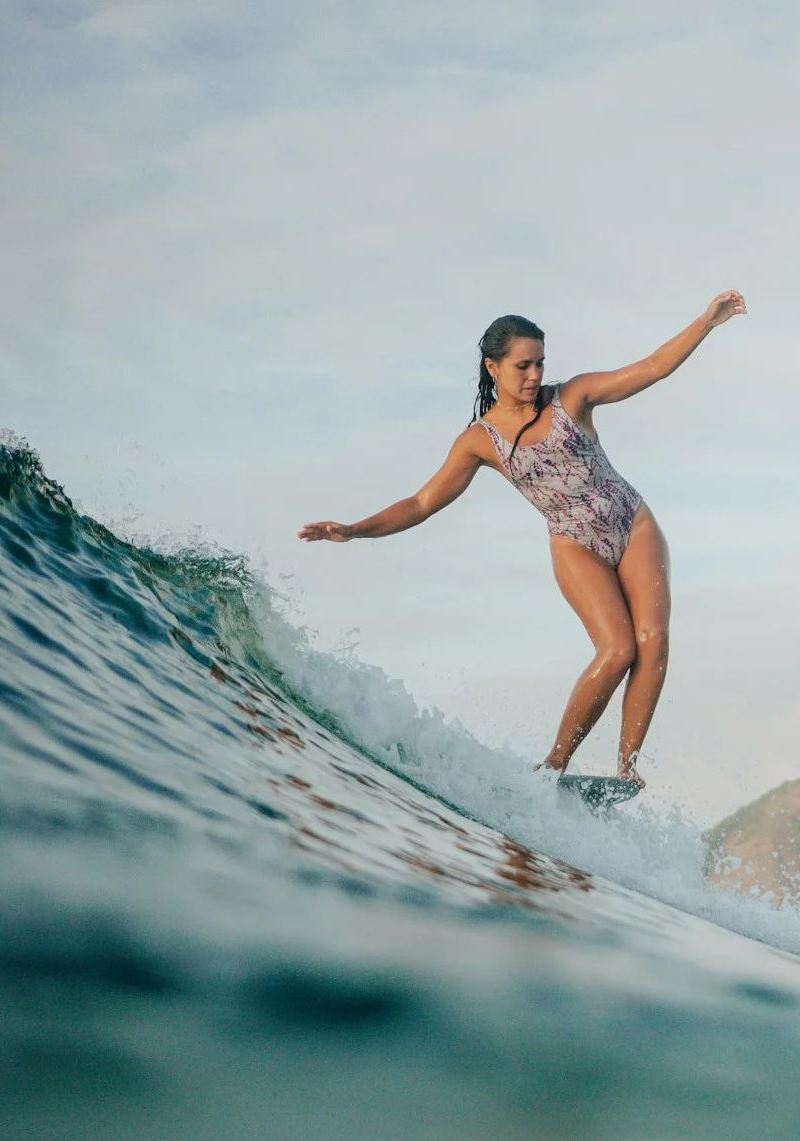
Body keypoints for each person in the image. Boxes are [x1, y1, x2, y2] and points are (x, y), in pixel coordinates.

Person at [299, 293, 747, 789]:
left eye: (539, 364)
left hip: (632, 523)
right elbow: (422, 502)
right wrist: (354, 529)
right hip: (575, 543)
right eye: (522, 366)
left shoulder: (571, 398)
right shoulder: (480, 440)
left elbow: (653, 366)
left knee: (653, 641)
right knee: (618, 650)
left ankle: (626, 769)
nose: (534, 375)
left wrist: (707, 321)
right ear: (493, 367)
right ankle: (554, 766)